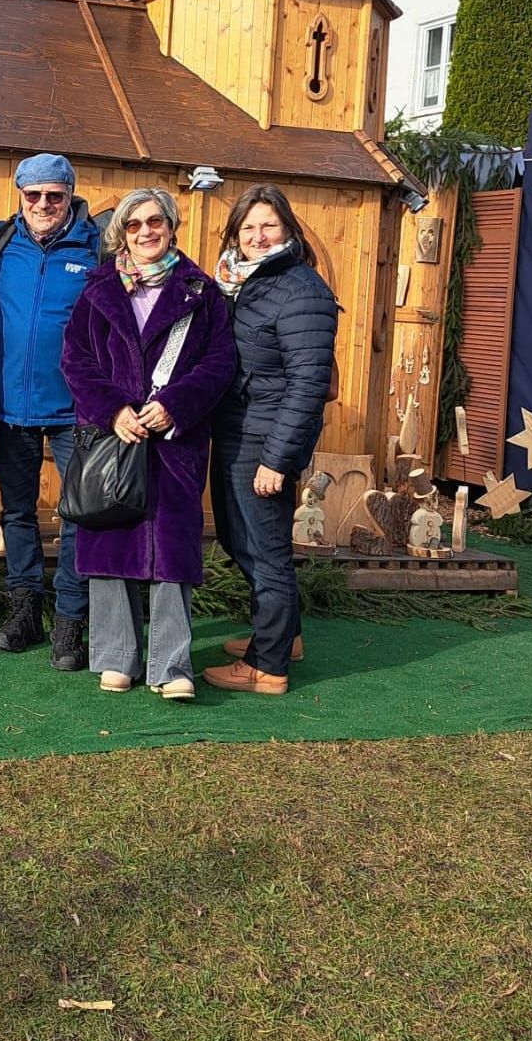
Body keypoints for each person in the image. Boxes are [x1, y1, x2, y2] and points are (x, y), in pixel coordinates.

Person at [61, 188, 236, 697]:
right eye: (134, 224)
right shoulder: (98, 292)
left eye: (154, 221)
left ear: (171, 226)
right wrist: (113, 410)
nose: (145, 232)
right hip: (112, 438)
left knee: (171, 554)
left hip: (174, 443)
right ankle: (116, 657)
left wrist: (176, 405)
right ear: (122, 233)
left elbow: (219, 362)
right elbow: (76, 361)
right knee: (110, 541)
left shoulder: (201, 293)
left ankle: (171, 666)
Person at [202, 184, 338, 696]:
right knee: (241, 540)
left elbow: (307, 384)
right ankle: (287, 636)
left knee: (264, 550)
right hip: (237, 429)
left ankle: (268, 666)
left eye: (268, 226)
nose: (258, 236)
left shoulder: (301, 291)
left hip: (265, 438)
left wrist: (276, 460)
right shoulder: (244, 283)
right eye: (249, 228)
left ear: (287, 229)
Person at [0, 153, 99, 669]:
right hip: (11, 407)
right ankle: (25, 610)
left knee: (77, 516)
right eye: (33, 195)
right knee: (17, 513)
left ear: (70, 194)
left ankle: (70, 622)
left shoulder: (97, 249)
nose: (44, 204)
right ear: (20, 197)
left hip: (75, 409)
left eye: (54, 195)